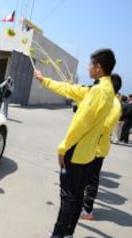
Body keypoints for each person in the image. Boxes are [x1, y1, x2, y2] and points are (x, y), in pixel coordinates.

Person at [34, 48, 116, 238]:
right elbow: (69, 89)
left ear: (99, 68)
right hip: (89, 154)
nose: (88, 67)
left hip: (76, 152)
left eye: (90, 64)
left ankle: (57, 235)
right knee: (78, 196)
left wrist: (63, 148)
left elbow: (80, 124)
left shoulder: (96, 92)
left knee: (68, 198)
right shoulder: (107, 90)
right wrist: (43, 79)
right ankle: (69, 232)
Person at [81, 73, 122, 220]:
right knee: (87, 179)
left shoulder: (115, 105)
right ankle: (85, 208)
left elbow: (103, 128)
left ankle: (87, 211)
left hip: (97, 150)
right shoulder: (107, 100)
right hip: (93, 147)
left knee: (90, 180)